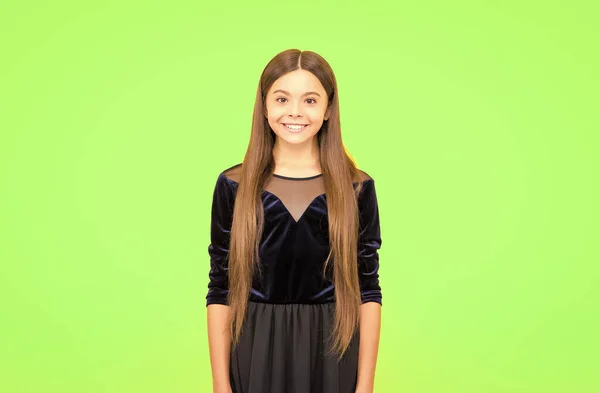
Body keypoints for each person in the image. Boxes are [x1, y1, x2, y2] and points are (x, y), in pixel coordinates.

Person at [206, 49, 383, 393]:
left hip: (333, 351)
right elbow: (220, 287)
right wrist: (220, 384)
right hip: (253, 347)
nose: (295, 112)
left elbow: (368, 290)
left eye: (310, 100)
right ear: (264, 106)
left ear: (329, 109)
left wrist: (365, 385)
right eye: (283, 98)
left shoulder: (357, 188)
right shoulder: (234, 186)